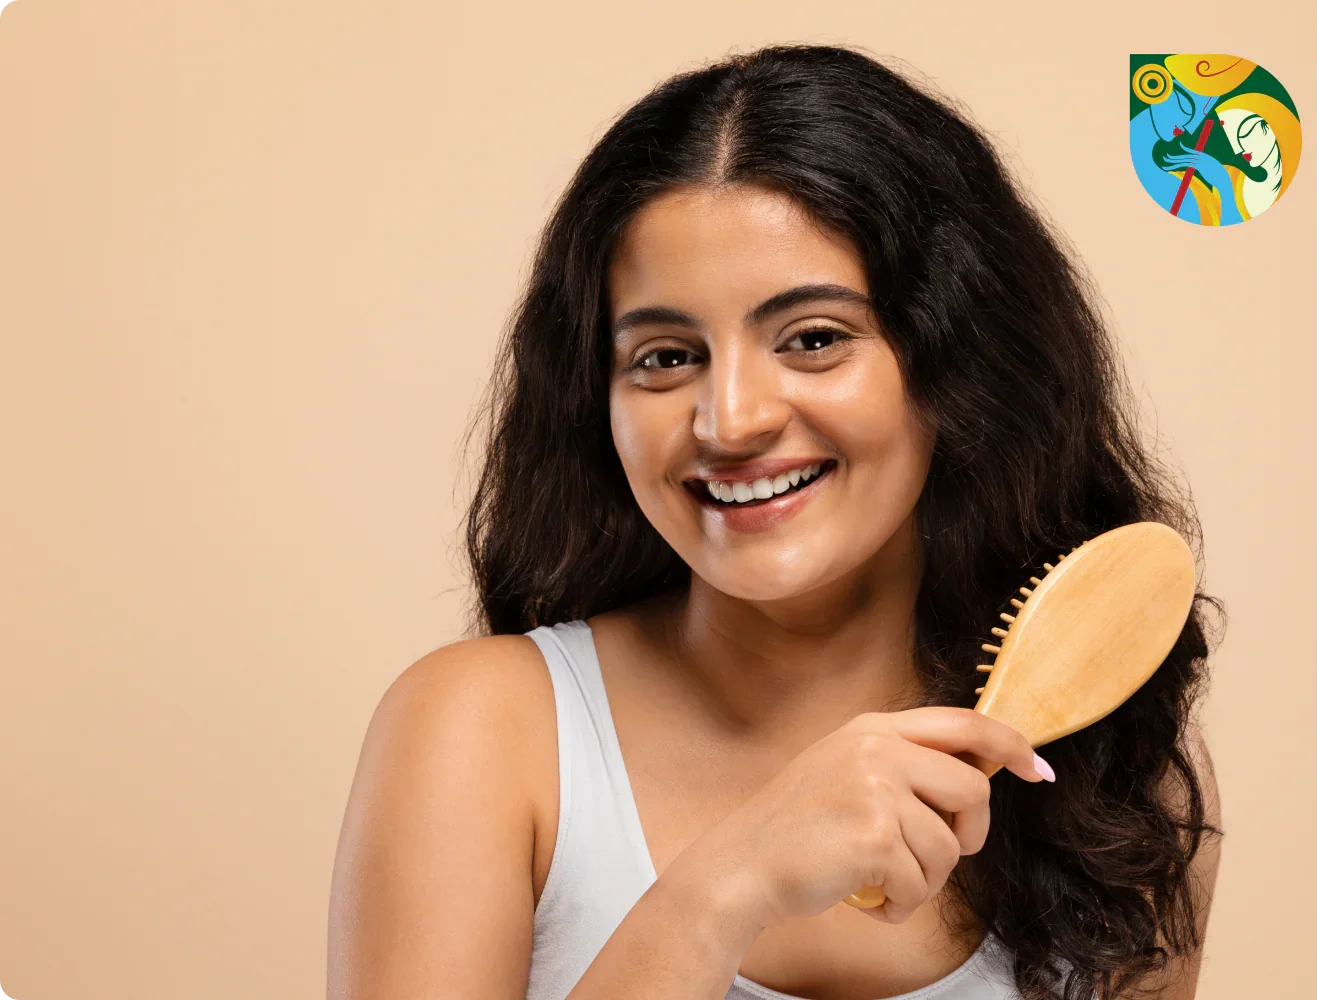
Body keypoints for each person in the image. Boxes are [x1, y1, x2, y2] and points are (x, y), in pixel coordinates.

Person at [328, 43, 1223, 1000]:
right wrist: (725, 889)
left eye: (814, 339)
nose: (733, 419)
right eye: (666, 357)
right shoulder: (482, 730)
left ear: (955, 362)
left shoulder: (1112, 779)